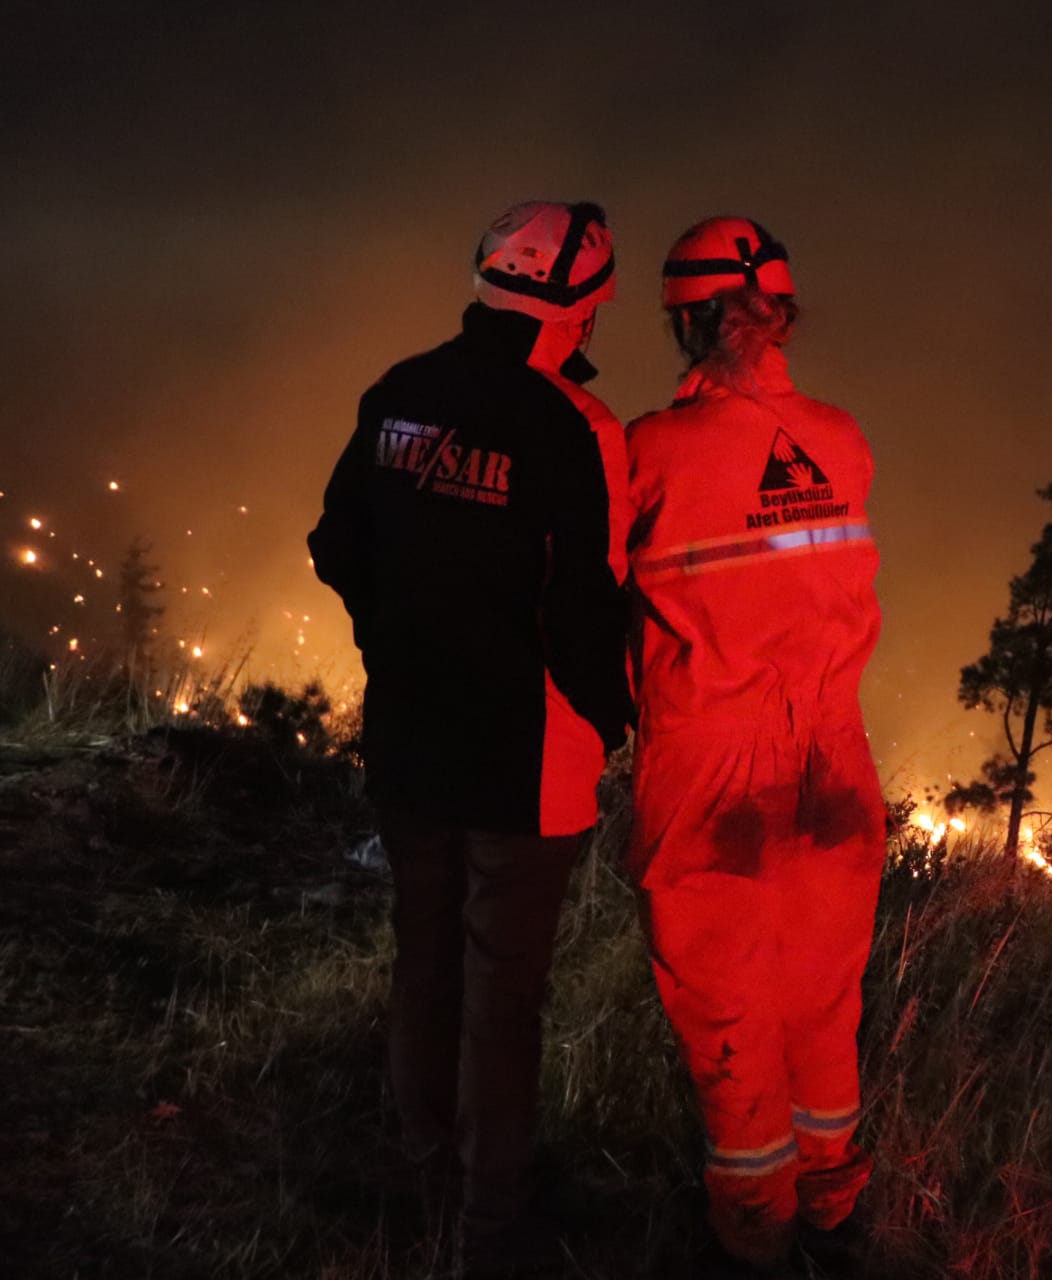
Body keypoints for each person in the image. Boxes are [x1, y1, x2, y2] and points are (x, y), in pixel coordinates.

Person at [308, 200, 634, 1276]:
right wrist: (611, 717)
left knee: (424, 952)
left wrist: (396, 640)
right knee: (504, 990)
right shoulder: (579, 432)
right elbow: (586, 606)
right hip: (525, 758)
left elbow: (336, 541)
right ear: (585, 308)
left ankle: (418, 1161)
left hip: (409, 734)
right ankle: (491, 1225)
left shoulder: (401, 389)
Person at [626, 216, 887, 1274]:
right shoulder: (843, 438)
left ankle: (752, 1234)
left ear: (689, 322)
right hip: (835, 761)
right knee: (825, 992)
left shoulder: (650, 451)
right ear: (782, 312)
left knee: (727, 1004)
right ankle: (836, 1211)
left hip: (714, 768)